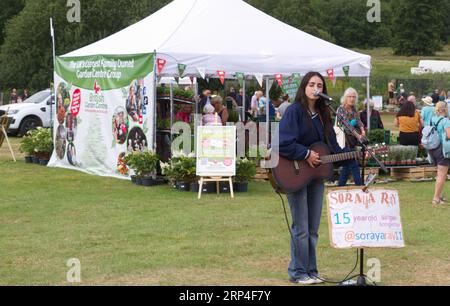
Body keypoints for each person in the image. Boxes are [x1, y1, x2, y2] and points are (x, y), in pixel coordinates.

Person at [278, 72, 354, 285]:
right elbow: (283, 143)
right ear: (304, 87)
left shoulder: (323, 115)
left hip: (316, 177)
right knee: (301, 228)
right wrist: (305, 154)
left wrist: (353, 153)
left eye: (319, 85)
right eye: (311, 84)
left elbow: (331, 148)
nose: (315, 88)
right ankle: (298, 272)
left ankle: (311, 271)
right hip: (294, 173)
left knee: (312, 229)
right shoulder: (294, 112)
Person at [336, 88, 365, 187]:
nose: (352, 99)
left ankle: (340, 187)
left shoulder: (353, 109)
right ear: (345, 97)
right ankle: (360, 187)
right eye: (350, 96)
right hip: (343, 141)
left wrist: (363, 130)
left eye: (354, 97)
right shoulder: (341, 109)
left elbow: (359, 120)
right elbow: (347, 126)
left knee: (347, 166)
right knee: (353, 164)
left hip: (351, 141)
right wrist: (358, 136)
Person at [428, 102, 450, 205]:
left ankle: (439, 195)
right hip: (443, 149)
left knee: (439, 173)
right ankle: (436, 198)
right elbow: (449, 135)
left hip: (433, 148)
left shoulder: (433, 119)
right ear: (445, 109)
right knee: (442, 174)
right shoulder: (445, 121)